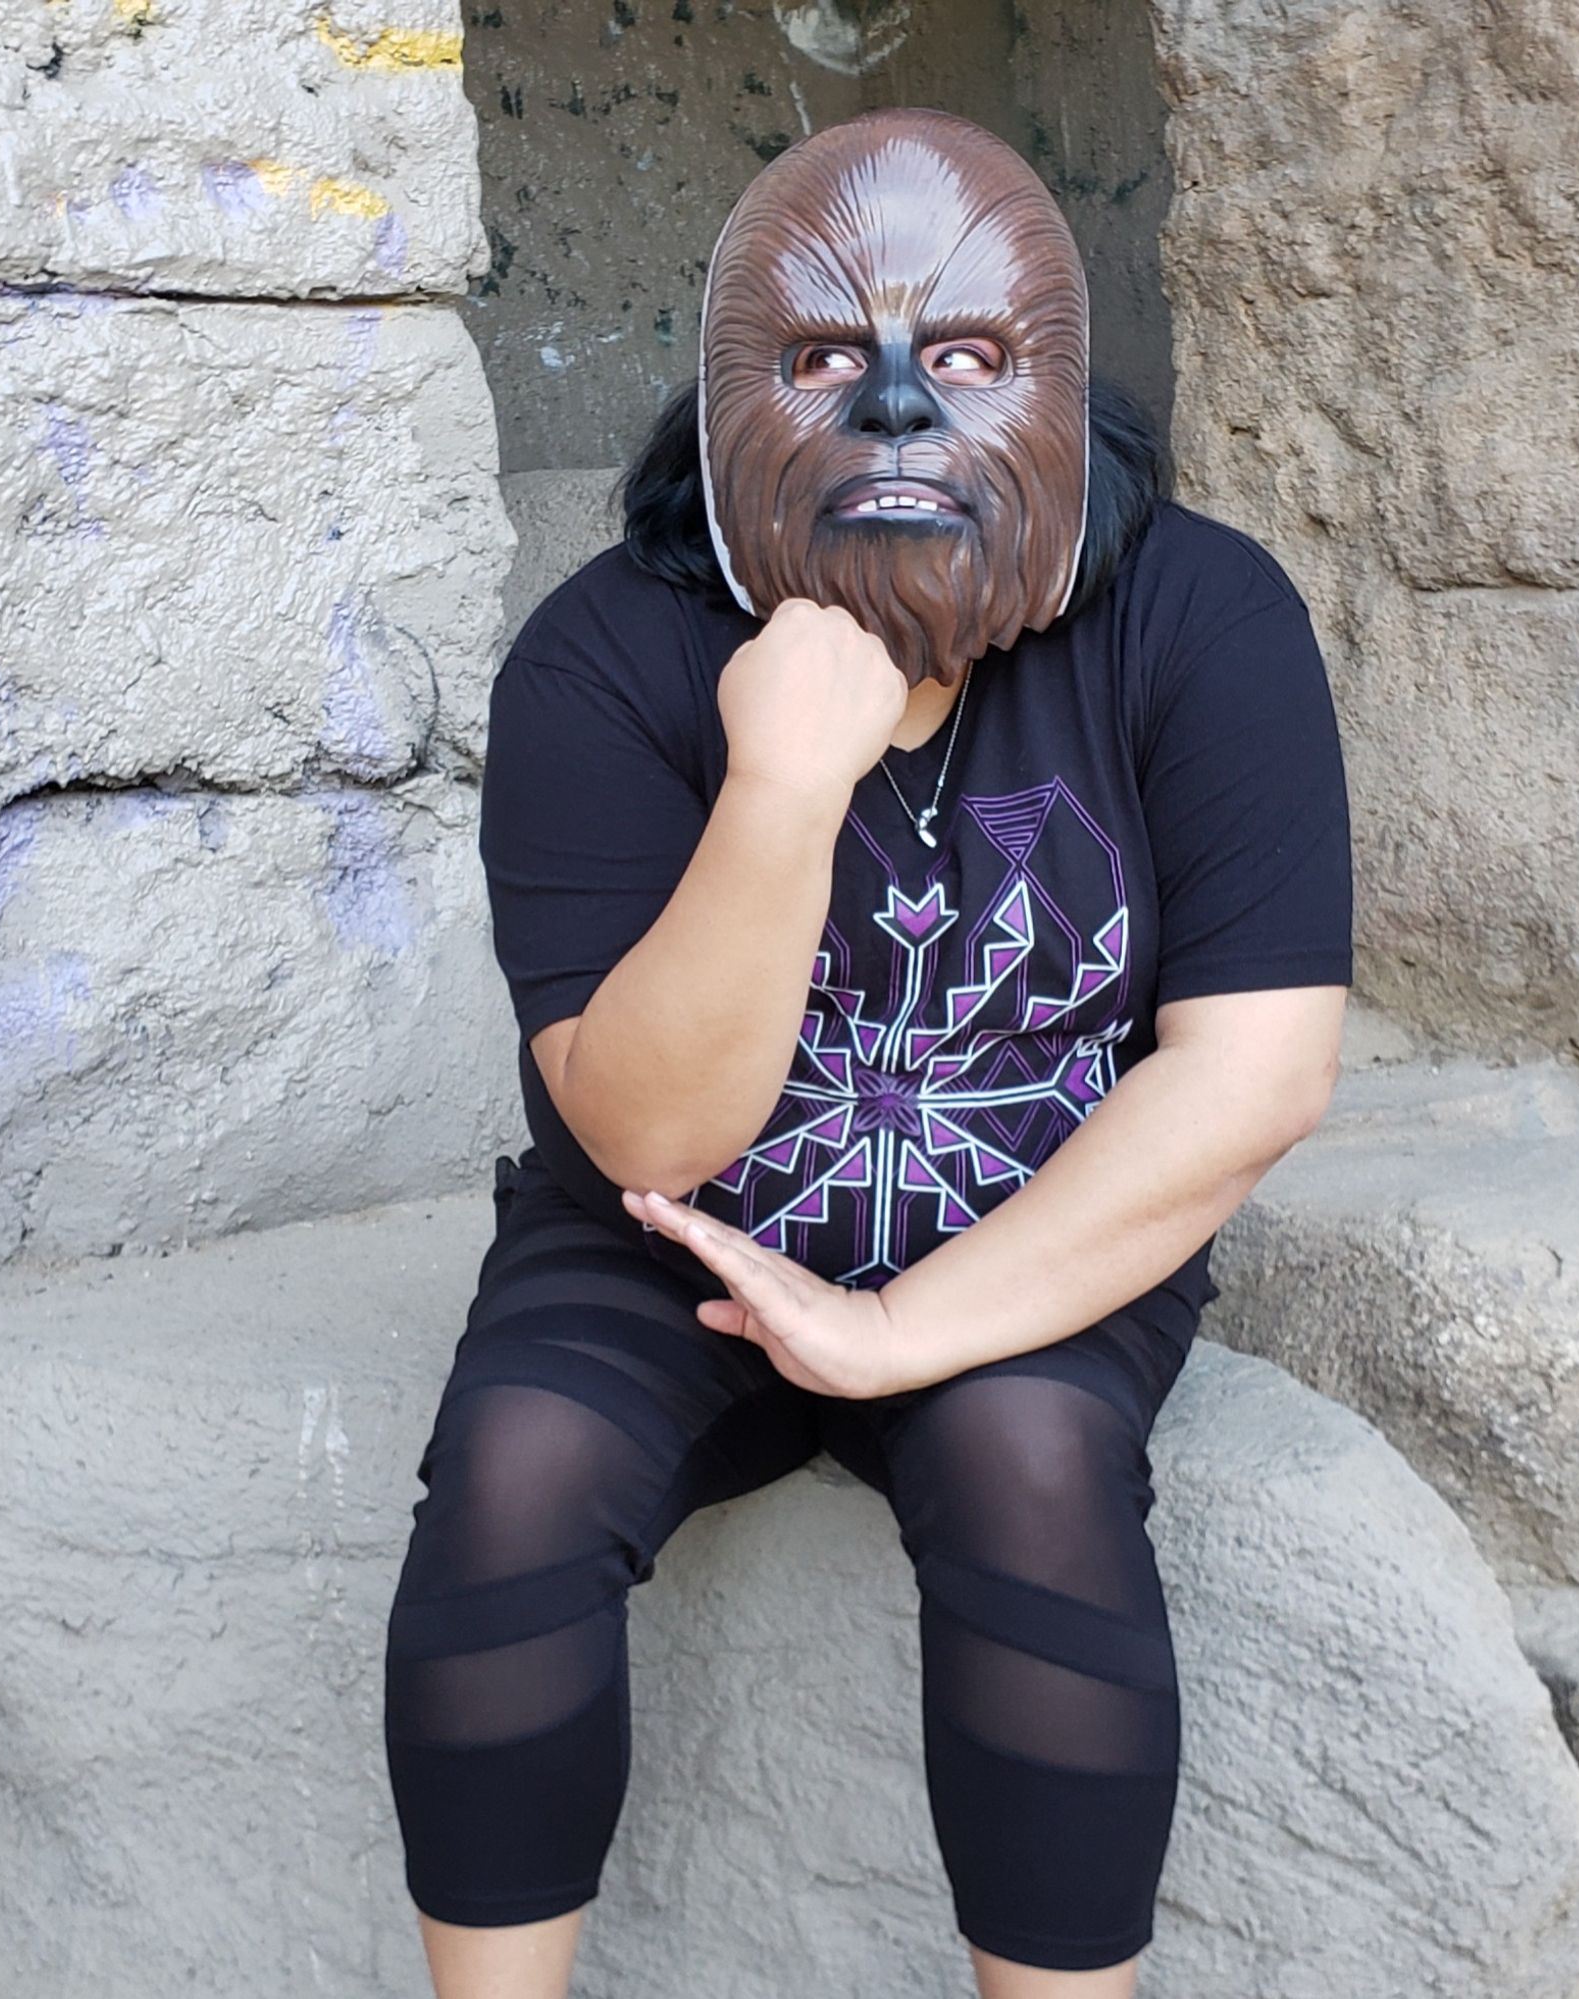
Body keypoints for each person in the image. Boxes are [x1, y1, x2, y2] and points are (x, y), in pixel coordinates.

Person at [382, 107, 1353, 1999]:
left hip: (1041, 1214)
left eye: (969, 360)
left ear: (1064, 388)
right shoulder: (603, 658)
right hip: (672, 1238)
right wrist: (782, 779)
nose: (900, 411)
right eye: (828, 359)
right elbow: (647, 1123)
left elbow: (1256, 1072)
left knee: (1028, 1466)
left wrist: (911, 1332)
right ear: (730, 396)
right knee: (514, 1470)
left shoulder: (1200, 619)